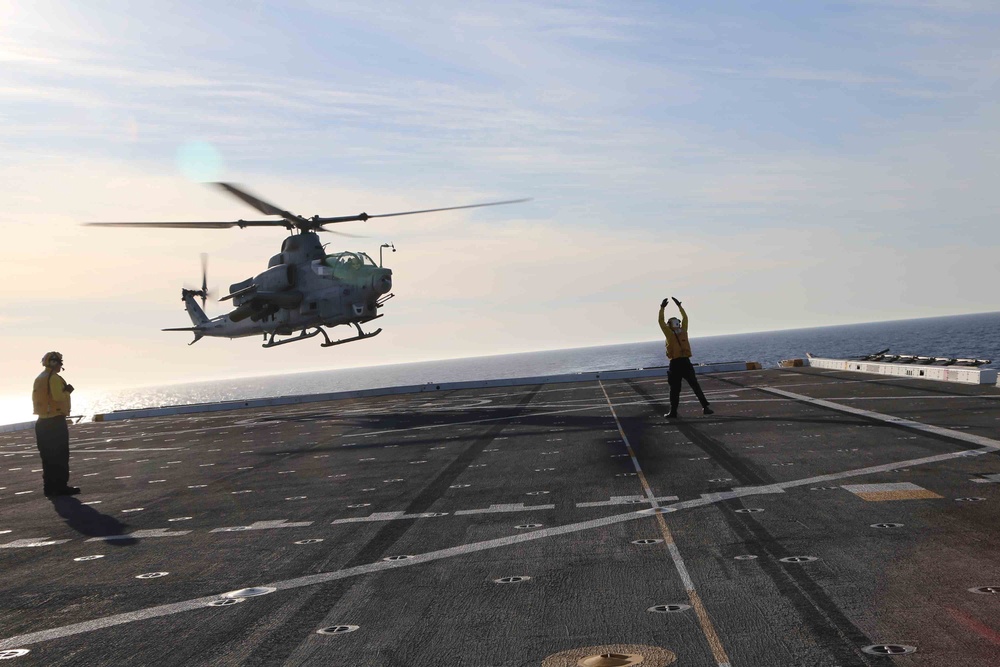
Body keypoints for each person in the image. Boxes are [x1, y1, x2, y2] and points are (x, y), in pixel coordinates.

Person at [32, 351, 80, 496]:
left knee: (47, 457)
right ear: (52, 362)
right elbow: (58, 397)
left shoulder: (40, 378)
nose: (60, 365)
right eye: (59, 362)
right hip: (55, 421)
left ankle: (49, 487)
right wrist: (67, 392)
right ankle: (60, 486)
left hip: (41, 422)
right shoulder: (53, 378)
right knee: (60, 455)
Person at [658, 297, 713, 418]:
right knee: (686, 387)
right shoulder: (677, 332)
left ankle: (676, 411)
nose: (677, 324)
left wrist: (669, 308)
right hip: (681, 363)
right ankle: (703, 407)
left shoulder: (676, 332)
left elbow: (665, 321)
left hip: (680, 363)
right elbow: (679, 319)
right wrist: (671, 307)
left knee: (681, 388)